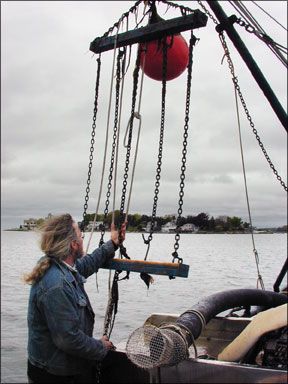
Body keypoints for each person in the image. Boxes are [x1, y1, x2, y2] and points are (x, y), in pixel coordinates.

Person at [24, 213, 127, 383]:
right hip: (54, 375)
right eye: (80, 235)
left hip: (59, 368)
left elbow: (89, 263)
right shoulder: (57, 285)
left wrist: (114, 243)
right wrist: (100, 347)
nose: (82, 238)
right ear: (73, 244)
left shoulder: (60, 264)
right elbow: (68, 339)